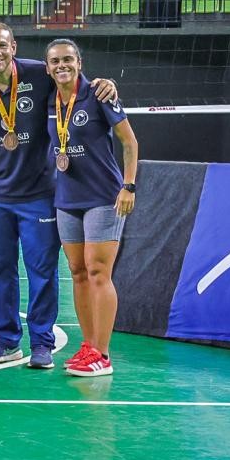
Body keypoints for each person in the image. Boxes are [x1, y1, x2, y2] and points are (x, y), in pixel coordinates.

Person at [0, 22, 118, 369]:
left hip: (40, 194)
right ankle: (6, 340)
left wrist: (106, 84)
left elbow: (72, 76)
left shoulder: (40, 74)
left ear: (14, 46)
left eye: (2, 46)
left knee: (42, 270)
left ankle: (42, 341)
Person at [44, 39, 139, 378]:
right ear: (48, 67)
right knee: (78, 272)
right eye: (55, 61)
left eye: (67, 59)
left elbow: (129, 142)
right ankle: (88, 345)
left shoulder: (100, 94)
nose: (61, 66)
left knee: (98, 271)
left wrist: (128, 186)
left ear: (80, 62)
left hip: (103, 197)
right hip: (66, 199)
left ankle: (103, 353)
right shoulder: (48, 98)